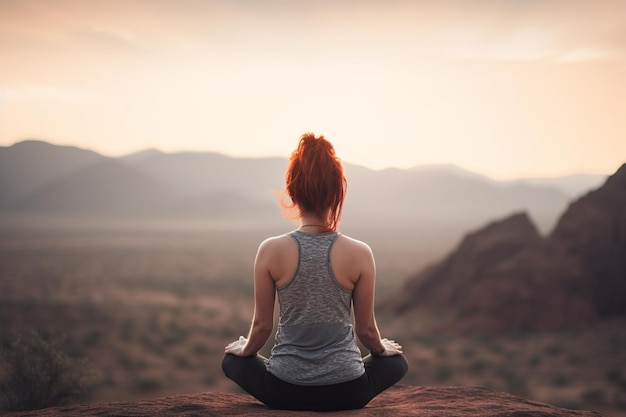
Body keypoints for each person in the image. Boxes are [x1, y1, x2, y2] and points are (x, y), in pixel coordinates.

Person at [222, 132, 408, 411]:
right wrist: (383, 349)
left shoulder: (270, 250)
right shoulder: (360, 253)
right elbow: (367, 331)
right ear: (337, 192)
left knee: (231, 360)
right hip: (348, 392)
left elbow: (261, 327)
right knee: (397, 362)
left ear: (292, 190)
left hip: (283, 391)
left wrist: (244, 350)